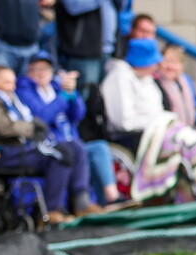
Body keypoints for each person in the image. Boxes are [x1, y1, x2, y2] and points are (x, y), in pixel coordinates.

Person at [100, 38, 196, 200]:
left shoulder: (147, 79)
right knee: (190, 143)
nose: (158, 64)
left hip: (160, 130)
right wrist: (159, 123)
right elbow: (124, 122)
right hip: (136, 136)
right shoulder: (119, 78)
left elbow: (158, 112)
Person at [0, 66, 97, 223]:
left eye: (13, 82)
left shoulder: (11, 96)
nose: (12, 87)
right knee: (58, 155)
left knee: (74, 146)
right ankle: (53, 211)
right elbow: (2, 127)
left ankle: (81, 200)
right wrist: (33, 127)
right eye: (7, 82)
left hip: (17, 148)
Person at [16, 51, 120, 206]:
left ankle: (112, 198)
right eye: (35, 69)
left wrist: (73, 93)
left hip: (71, 142)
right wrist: (64, 96)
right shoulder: (25, 91)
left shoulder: (56, 88)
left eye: (45, 69)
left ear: (52, 72)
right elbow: (41, 118)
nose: (40, 73)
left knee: (100, 148)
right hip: (48, 145)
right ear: (28, 72)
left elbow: (78, 115)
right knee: (74, 149)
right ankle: (81, 201)